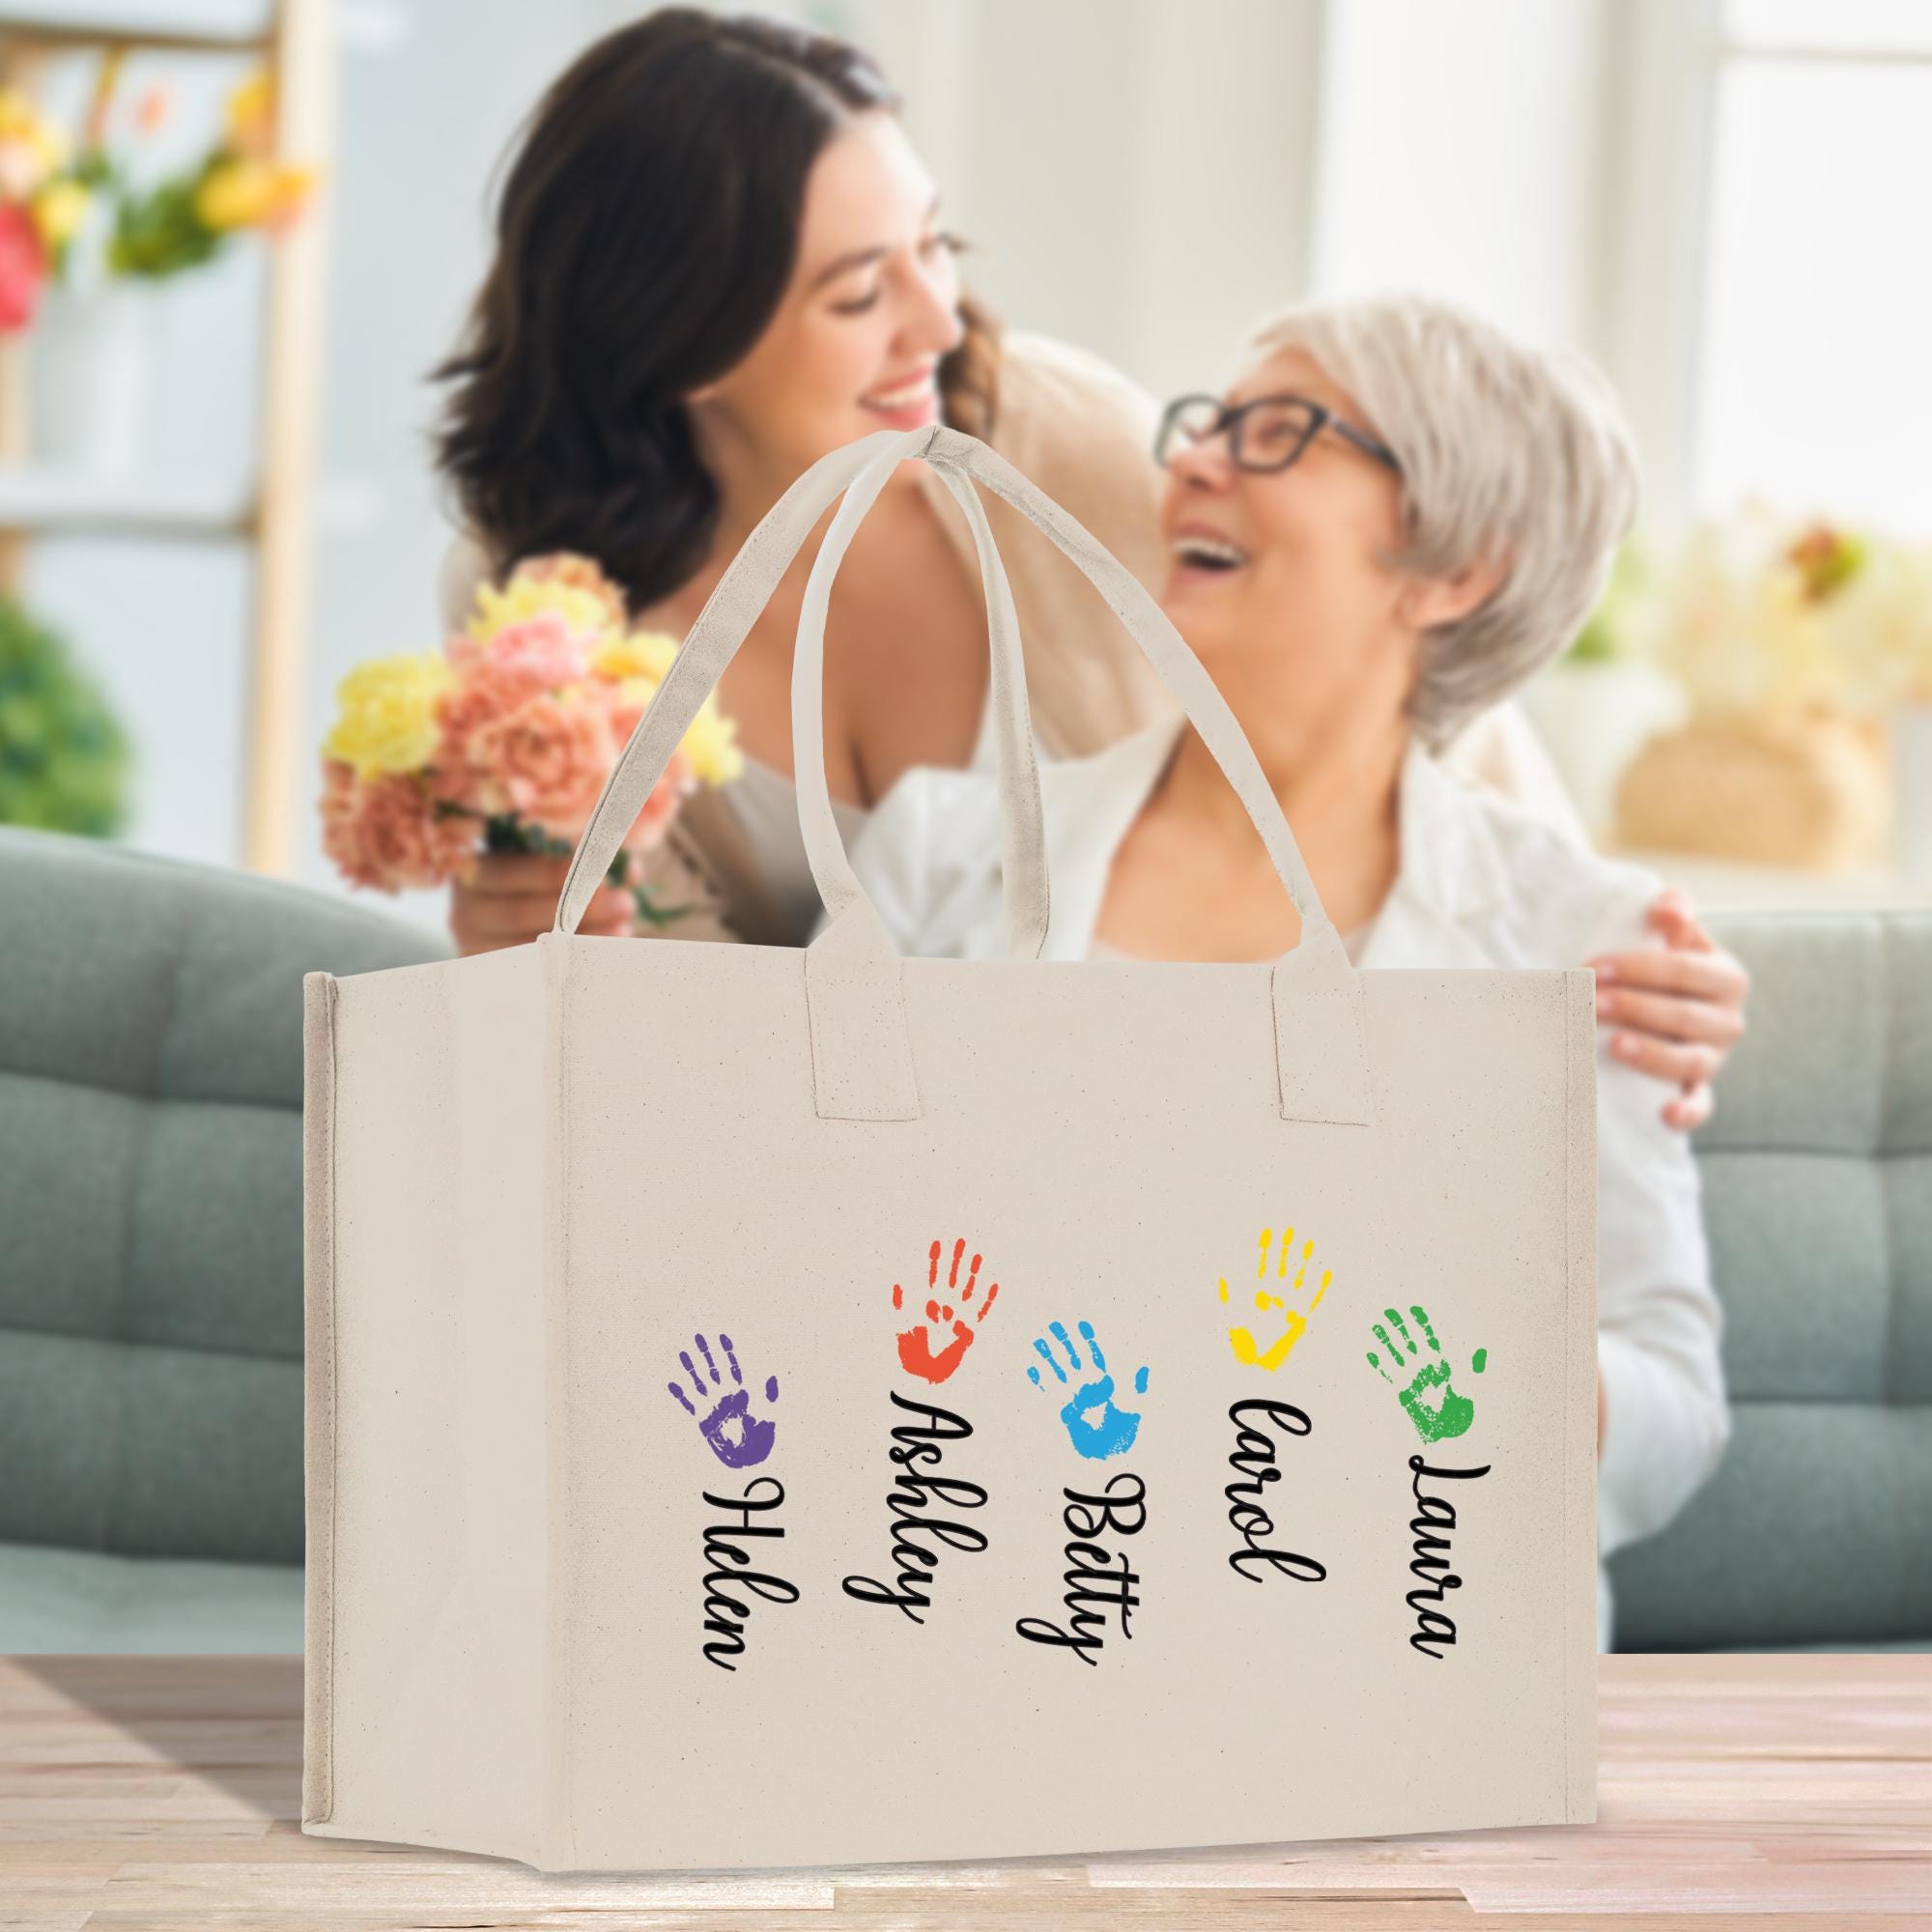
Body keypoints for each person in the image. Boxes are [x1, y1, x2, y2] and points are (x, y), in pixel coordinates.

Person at [430, 7, 1746, 1129]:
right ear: (683, 346)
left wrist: (1594, 963)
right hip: (892, 1177)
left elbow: (1388, 677)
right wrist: (550, 951)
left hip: (1227, 1106)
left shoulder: (1061, 443)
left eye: (931, 246)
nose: (938, 320)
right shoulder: (546, 613)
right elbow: (694, 1054)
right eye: (856, 293)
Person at [841, 295, 1733, 1648]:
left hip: (1405, 1670)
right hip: (999, 1626)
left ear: (1452, 569)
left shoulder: (1581, 945)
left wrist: (1461, 1371)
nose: (1194, 459)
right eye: (1207, 424)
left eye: (1280, 433)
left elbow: (1673, 1401)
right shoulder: (937, 858)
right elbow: (794, 1260)